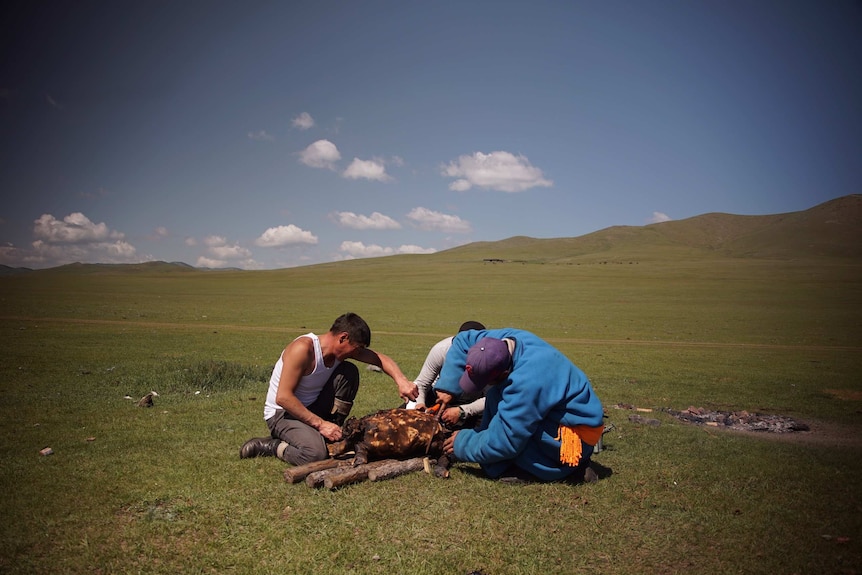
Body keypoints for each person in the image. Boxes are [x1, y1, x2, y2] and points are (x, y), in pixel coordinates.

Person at [240, 312, 418, 466]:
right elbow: (284, 398)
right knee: (315, 454)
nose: (356, 354)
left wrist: (401, 380)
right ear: (343, 338)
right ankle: (271, 446)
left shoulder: (339, 352)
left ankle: (331, 432)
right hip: (282, 414)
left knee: (349, 371)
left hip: (312, 406)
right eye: (356, 349)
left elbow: (379, 359)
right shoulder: (303, 349)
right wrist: (321, 424)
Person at [435, 328, 604, 483]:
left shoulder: (526, 383)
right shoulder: (499, 343)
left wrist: (463, 443)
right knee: (495, 396)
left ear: (505, 373)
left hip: (574, 435)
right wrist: (447, 387)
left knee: (512, 444)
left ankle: (570, 470)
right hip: (553, 412)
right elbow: (463, 340)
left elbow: (506, 441)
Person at [408, 320, 486, 429]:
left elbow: (491, 398)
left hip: (473, 402)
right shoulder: (441, 349)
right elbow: (422, 383)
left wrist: (462, 411)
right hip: (437, 398)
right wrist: (420, 404)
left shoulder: (488, 356)